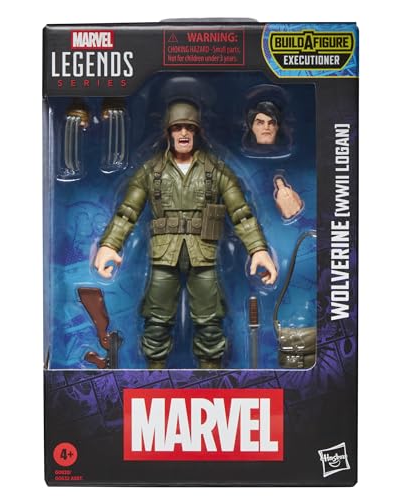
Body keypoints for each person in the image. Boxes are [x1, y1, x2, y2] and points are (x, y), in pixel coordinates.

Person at [94, 100, 277, 369]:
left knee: (210, 322)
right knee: (156, 322)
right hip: (163, 256)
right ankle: (155, 378)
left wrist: (258, 249)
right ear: (168, 132)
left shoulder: (216, 170)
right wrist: (110, 245)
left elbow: (241, 213)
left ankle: (210, 378)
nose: (183, 133)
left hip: (203, 254)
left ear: (197, 132)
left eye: (189, 128)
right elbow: (127, 211)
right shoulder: (151, 171)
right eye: (177, 127)